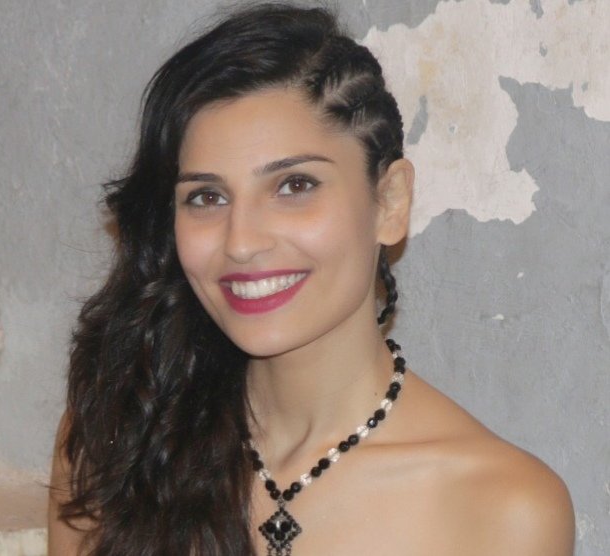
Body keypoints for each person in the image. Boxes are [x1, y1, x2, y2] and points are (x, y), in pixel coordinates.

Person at [48, 3, 575, 555]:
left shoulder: (504, 509)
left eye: (294, 186)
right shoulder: (116, 444)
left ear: (390, 201)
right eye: (207, 196)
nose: (241, 241)